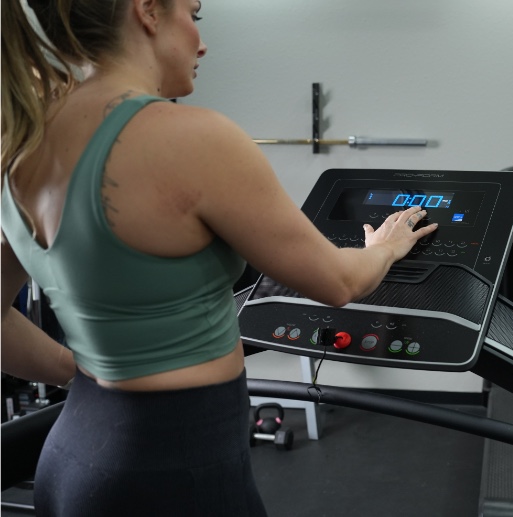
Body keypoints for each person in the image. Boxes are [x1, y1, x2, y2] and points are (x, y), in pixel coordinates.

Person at [0, 0, 438, 514]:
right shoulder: (192, 138)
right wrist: (384, 246)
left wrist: (75, 370)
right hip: (174, 468)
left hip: (76, 451)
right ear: (147, 12)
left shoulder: (20, 141)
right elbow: (339, 282)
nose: (201, 41)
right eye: (195, 15)